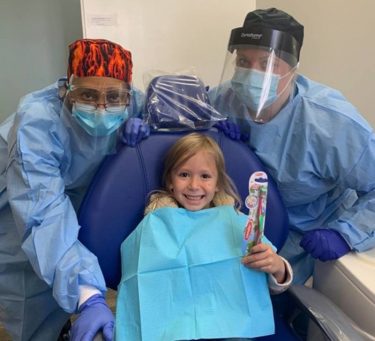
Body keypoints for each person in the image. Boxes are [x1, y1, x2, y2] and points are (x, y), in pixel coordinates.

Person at [209, 8, 375, 285]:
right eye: (243, 61)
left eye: (268, 63)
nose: (252, 73)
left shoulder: (332, 123)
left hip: (303, 239)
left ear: (292, 68)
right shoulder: (224, 99)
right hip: (240, 225)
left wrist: (346, 233)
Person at [0, 38, 149, 341]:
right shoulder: (38, 123)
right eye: (88, 95)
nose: (101, 107)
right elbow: (42, 215)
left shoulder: (135, 103)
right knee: (33, 295)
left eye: (114, 97)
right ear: (66, 88)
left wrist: (156, 124)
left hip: (75, 198)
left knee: (67, 266)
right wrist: (89, 295)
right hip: (22, 203)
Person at [115, 133, 293, 340]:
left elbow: (268, 281)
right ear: (169, 181)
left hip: (229, 329)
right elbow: (137, 282)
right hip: (171, 330)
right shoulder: (154, 226)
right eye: (184, 174)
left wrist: (278, 268)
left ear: (218, 183)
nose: (194, 185)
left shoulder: (237, 223)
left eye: (205, 176)